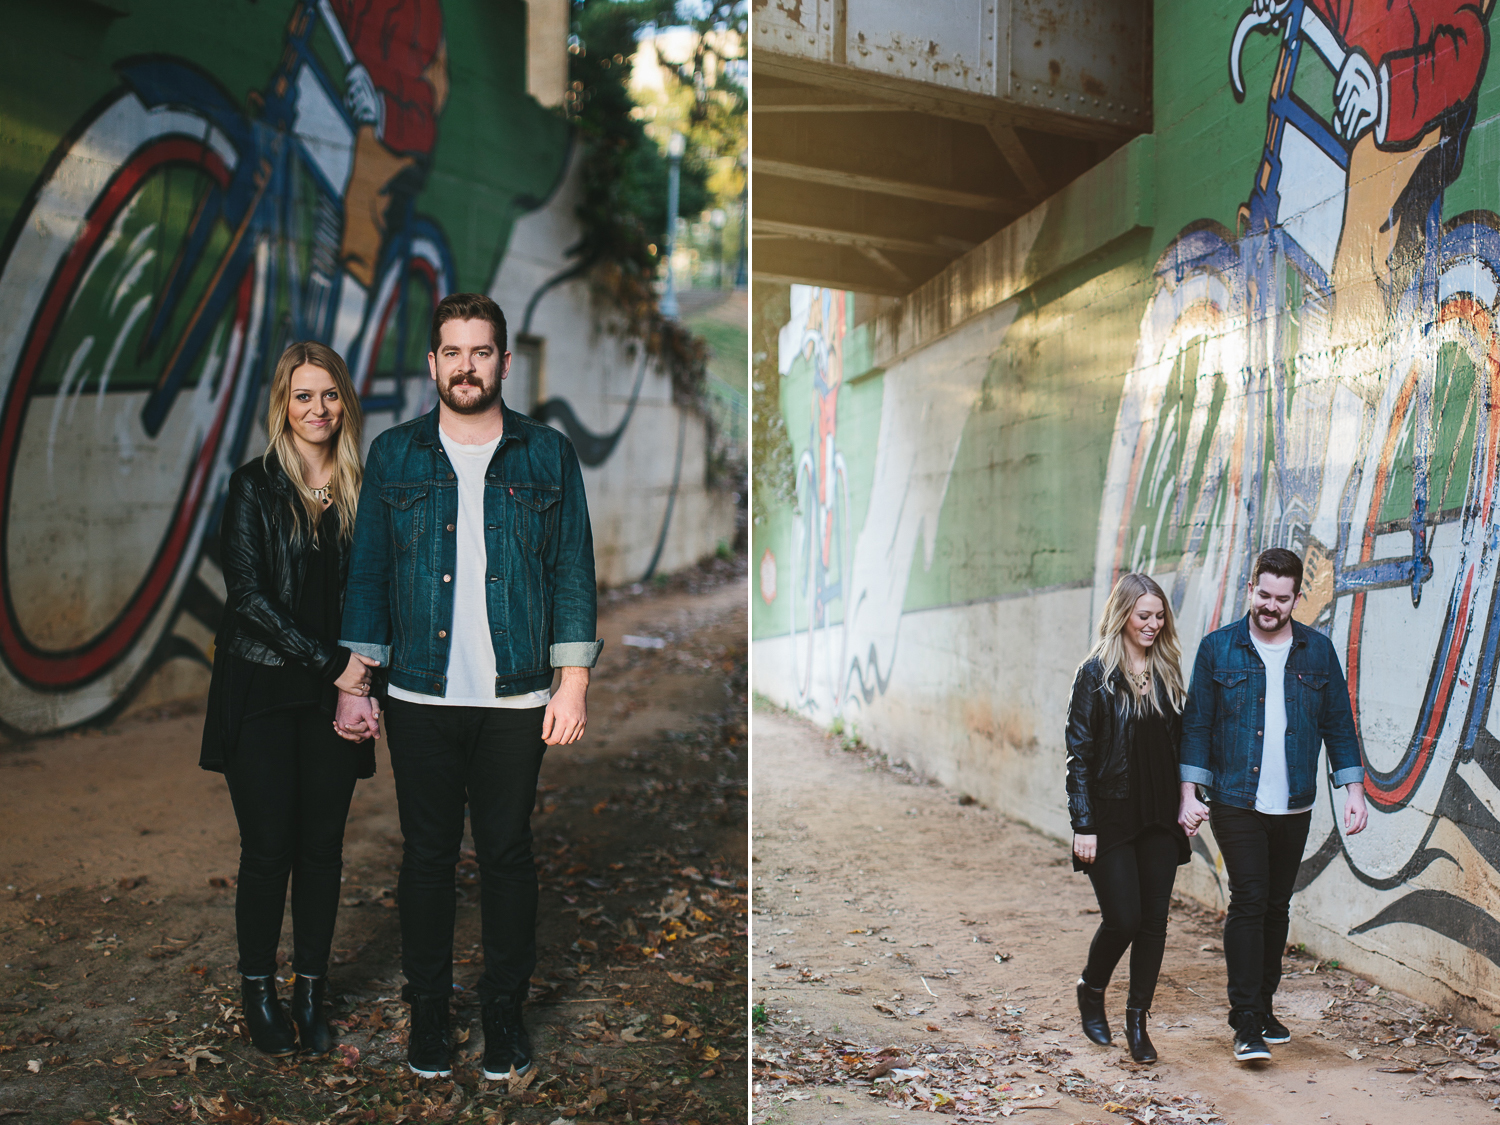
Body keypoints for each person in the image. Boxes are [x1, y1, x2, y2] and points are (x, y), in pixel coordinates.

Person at [335, 292, 600, 1080]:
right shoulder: (395, 454)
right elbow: (371, 572)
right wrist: (357, 681)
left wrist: (573, 680)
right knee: (427, 857)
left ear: (504, 363)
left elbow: (573, 571)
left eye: (481, 351)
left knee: (508, 853)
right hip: (418, 694)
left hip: (518, 697)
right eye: (452, 352)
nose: (466, 365)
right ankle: (428, 1012)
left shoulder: (547, 454)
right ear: (433, 364)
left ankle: (503, 1011)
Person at [200, 341, 380, 1056]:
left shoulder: (363, 484)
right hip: (264, 690)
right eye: (304, 396)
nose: (318, 409)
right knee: (269, 848)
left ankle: (310, 989)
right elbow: (247, 598)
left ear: (345, 401)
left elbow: (374, 597)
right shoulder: (254, 485)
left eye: (330, 394)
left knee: (323, 849)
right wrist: (334, 664)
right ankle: (258, 991)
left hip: (337, 696)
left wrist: (363, 685)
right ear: (284, 403)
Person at [1177, 547, 1369, 1063]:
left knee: (1278, 905)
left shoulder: (1317, 651)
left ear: (1296, 598)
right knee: (1250, 899)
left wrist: (1353, 789)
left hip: (1294, 802)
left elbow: (1338, 724)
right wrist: (1188, 792)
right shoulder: (1218, 649)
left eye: (1282, 599)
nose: (1271, 606)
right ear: (1250, 590)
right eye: (1263, 595)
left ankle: (1263, 1007)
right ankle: (1243, 1021)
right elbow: (1196, 724)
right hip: (1236, 798)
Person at [1065, 573, 1190, 1064]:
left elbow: (1180, 742)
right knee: (1125, 918)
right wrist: (1083, 824)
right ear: (1122, 616)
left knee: (1155, 922)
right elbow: (1079, 754)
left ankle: (1138, 1019)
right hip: (1111, 816)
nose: (1153, 625)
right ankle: (1091, 988)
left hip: (1159, 815)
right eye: (1144, 616)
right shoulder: (1095, 674)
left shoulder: (1167, 670)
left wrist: (1190, 797)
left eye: (1160, 616)